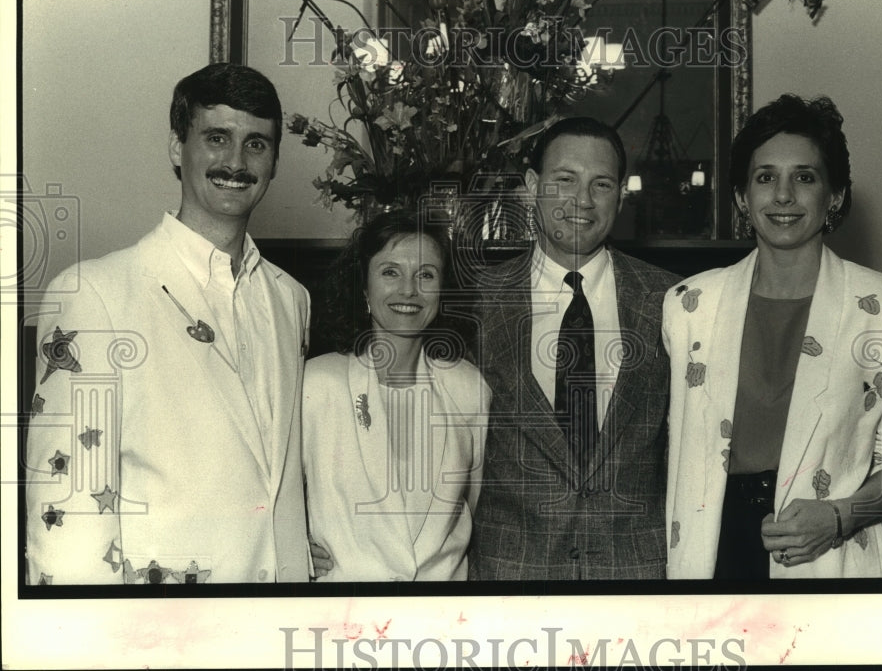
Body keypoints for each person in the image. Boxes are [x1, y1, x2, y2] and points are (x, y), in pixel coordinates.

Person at [24, 63, 312, 584]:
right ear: (178, 148)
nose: (235, 162)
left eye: (256, 144)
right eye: (216, 137)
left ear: (274, 162)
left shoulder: (291, 299)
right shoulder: (97, 294)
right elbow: (65, 505)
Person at [662, 94, 882, 579]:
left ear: (834, 196)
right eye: (765, 177)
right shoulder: (689, 306)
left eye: (804, 177)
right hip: (707, 557)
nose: (783, 195)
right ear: (742, 198)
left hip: (824, 558)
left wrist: (837, 517)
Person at [468, 117, 680, 580]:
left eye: (601, 184)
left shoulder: (672, 301)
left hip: (636, 578)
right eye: (564, 180)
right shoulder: (475, 302)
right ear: (530, 186)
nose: (582, 200)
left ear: (621, 195)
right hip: (510, 579)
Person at [303, 208, 490, 582]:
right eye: (390, 272)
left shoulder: (470, 389)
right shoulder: (318, 383)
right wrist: (291, 544)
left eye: (426, 275)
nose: (408, 290)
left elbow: (475, 507)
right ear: (364, 288)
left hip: (441, 626)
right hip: (343, 620)